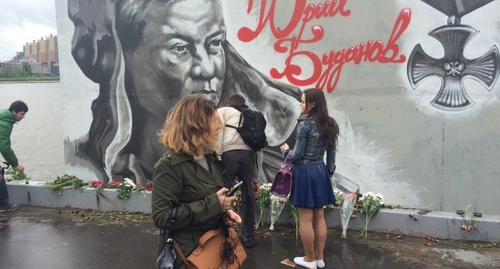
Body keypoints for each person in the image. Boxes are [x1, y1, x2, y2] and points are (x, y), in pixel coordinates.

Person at [68, 0, 301, 184]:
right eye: (179, 47)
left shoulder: (268, 169)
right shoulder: (85, 165)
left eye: (215, 43)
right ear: (125, 56)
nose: (208, 69)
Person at [152, 95, 242, 268]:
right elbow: (162, 216)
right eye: (214, 120)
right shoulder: (169, 166)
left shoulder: (210, 158)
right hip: (189, 255)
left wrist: (225, 211)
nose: (220, 125)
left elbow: (207, 196)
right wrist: (214, 204)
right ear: (196, 125)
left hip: (214, 247)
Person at [280, 88, 339, 269]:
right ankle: (319, 259)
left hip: (304, 173)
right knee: (319, 217)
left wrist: (286, 151)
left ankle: (309, 259)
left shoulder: (305, 124)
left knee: (305, 219)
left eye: (303, 101)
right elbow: (331, 155)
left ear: (312, 104)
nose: (301, 104)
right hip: (320, 171)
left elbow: (296, 156)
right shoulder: (331, 124)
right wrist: (328, 173)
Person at [217, 93, 259, 248]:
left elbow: (218, 133)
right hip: (248, 156)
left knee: (222, 194)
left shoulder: (223, 111)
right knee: (248, 197)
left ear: (229, 104)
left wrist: (218, 156)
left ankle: (220, 234)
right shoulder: (252, 116)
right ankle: (248, 238)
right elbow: (258, 149)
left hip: (228, 155)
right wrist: (255, 179)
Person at [0, 100, 28, 212]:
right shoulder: (5, 124)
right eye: (22, 114)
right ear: (14, 112)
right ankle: (4, 205)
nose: (23, 117)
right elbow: (4, 147)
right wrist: (15, 164)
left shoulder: (3, 115)